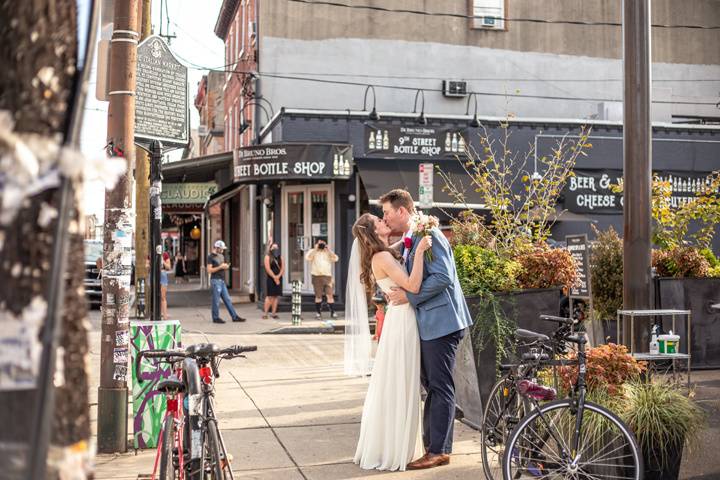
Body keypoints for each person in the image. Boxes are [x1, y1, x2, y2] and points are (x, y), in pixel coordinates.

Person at [381, 189, 473, 470]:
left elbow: (443, 277)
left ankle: (439, 450)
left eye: (386, 213)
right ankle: (434, 443)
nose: (384, 218)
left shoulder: (426, 233)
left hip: (443, 323)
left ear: (402, 211)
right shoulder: (412, 238)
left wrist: (408, 296)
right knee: (433, 385)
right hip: (431, 323)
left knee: (440, 386)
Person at [349, 212, 433, 471]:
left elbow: (399, 246)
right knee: (401, 382)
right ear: (374, 232)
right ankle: (397, 448)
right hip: (403, 320)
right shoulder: (383, 257)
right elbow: (412, 285)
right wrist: (419, 252)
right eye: (380, 222)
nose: (385, 222)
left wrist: (410, 240)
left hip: (398, 319)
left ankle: (393, 444)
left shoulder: (381, 253)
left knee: (396, 382)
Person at [207, 240, 246, 324]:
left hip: (222, 281)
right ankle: (215, 318)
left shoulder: (221, 256)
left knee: (227, 299)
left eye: (223, 249)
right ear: (216, 248)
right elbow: (209, 270)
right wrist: (221, 267)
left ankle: (234, 317)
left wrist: (225, 267)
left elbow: (221, 267)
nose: (222, 250)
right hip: (215, 281)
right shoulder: (210, 257)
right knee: (216, 301)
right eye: (221, 249)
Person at [305, 239, 339, 322]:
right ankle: (318, 313)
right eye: (320, 243)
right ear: (316, 244)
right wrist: (316, 249)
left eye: (323, 244)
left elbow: (336, 258)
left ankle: (333, 312)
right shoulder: (313, 251)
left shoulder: (327, 252)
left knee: (330, 295)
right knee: (318, 296)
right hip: (317, 276)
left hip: (327, 276)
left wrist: (328, 250)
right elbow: (307, 258)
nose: (321, 245)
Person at [263, 243, 283, 319]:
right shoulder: (267, 257)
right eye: (274, 247)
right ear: (270, 248)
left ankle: (273, 313)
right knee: (270, 296)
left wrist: (278, 276)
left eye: (277, 247)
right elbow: (268, 269)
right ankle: (265, 313)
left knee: (275, 296)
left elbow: (282, 268)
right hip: (271, 278)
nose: (275, 249)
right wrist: (275, 277)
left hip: (279, 277)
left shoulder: (280, 257)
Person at [160, 250, 171, 319]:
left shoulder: (165, 255)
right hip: (154, 275)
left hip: (162, 274)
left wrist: (162, 261)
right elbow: (147, 265)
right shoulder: (150, 254)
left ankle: (164, 315)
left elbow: (169, 267)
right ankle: (158, 313)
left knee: (163, 296)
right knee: (154, 296)